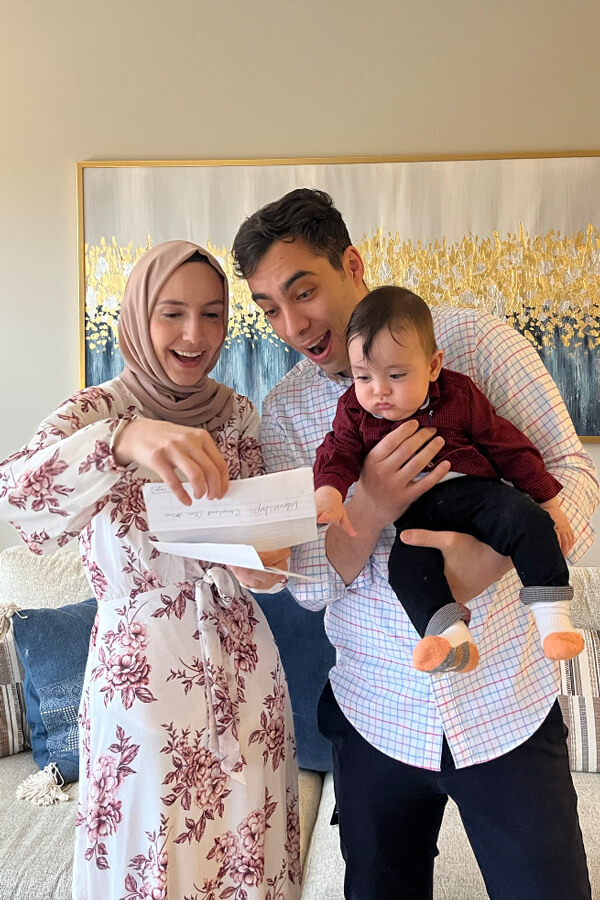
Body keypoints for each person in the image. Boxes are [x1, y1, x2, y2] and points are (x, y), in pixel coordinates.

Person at [232, 189, 599, 900]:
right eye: (269, 307)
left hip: (506, 707)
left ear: (352, 265)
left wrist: (488, 561)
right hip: (375, 718)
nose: (292, 325)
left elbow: (573, 476)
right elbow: (310, 587)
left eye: (303, 291)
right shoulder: (288, 412)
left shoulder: (475, 345)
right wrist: (369, 506)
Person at [0, 241, 301, 900]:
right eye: (173, 313)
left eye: (213, 314)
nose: (196, 334)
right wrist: (122, 440)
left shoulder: (238, 415)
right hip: (140, 683)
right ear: (138, 315)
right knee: (150, 864)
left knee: (248, 864)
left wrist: (266, 565)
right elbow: (17, 497)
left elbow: (261, 538)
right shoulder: (96, 412)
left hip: (245, 677)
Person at [314, 284, 583, 675]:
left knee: (527, 518)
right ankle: (451, 640)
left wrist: (549, 502)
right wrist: (329, 493)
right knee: (403, 568)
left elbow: (506, 445)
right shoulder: (354, 411)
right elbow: (337, 452)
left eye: (396, 375)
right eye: (363, 377)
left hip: (478, 496)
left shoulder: (458, 394)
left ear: (433, 366)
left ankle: (554, 620)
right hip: (417, 518)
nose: (379, 391)